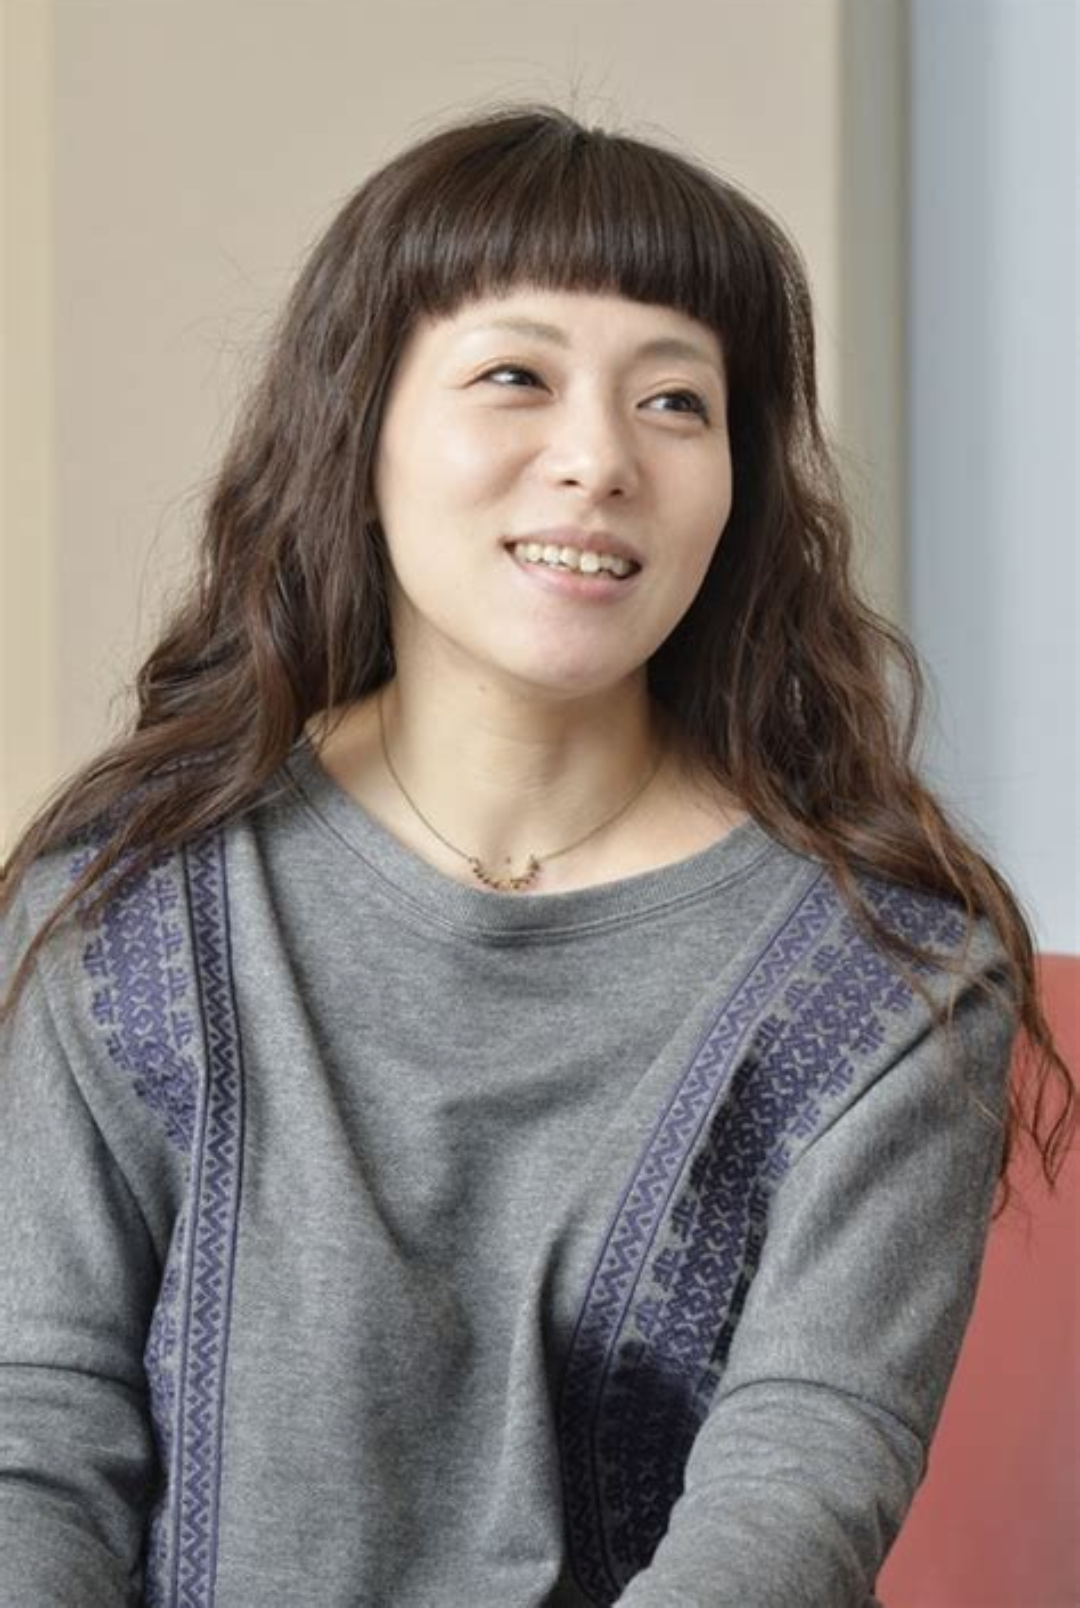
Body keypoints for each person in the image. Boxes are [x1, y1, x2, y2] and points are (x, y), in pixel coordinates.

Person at [0, 102, 1073, 1608]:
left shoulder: (894, 973)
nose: (598, 461)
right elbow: (35, 1439)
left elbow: (802, 1488)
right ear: (360, 424)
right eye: (517, 375)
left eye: (676, 401)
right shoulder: (125, 899)